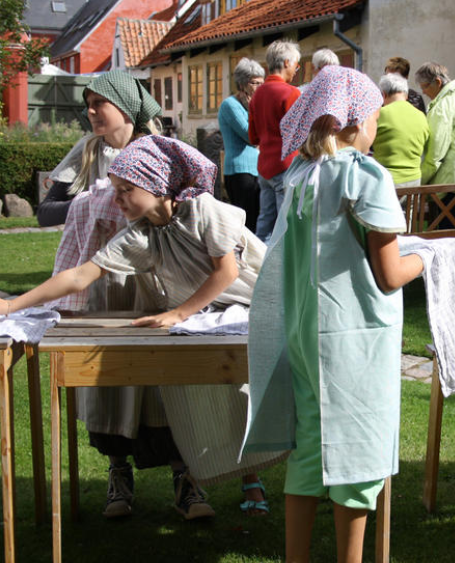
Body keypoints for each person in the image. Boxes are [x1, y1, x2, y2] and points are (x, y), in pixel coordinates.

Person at [3, 136, 283, 519]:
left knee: (250, 389)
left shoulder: (204, 210)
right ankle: (198, 475)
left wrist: (180, 313)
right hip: (212, 314)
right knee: (198, 391)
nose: (117, 199)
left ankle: (257, 474)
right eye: (115, 190)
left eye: (126, 190)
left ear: (157, 185)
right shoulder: (142, 234)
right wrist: (13, 305)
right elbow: (81, 275)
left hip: (260, 303)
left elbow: (226, 272)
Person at [242, 66, 423, 563]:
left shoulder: (300, 175)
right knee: (358, 445)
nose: (376, 129)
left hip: (305, 332)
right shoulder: (364, 174)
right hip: (354, 335)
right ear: (354, 121)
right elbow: (390, 275)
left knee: (309, 444)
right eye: (375, 119)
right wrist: (431, 257)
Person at [37, 71, 162, 227]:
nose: (90, 111)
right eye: (89, 104)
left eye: (99, 102)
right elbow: (45, 214)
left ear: (125, 105)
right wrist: (91, 202)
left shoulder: (153, 152)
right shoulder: (87, 149)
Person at [249, 40, 302, 243]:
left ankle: (255, 258)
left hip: (264, 166)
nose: (296, 70)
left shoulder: (257, 94)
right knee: (285, 224)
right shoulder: (291, 93)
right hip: (286, 165)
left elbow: (253, 137)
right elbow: (300, 134)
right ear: (287, 62)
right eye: (296, 65)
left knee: (265, 221)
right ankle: (283, 262)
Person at [219, 58, 264, 233]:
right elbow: (251, 136)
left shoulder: (254, 105)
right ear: (242, 84)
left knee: (258, 221)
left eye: (261, 82)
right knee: (247, 224)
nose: (259, 87)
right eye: (255, 83)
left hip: (257, 170)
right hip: (240, 171)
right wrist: (254, 109)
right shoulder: (230, 105)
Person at [372, 73, 430, 188]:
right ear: (406, 95)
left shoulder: (379, 114)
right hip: (414, 182)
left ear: (384, 94)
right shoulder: (421, 116)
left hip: (386, 182)